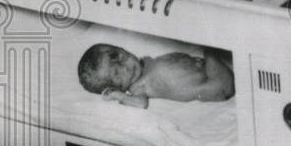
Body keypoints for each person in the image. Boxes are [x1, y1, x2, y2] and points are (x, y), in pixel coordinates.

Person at [77, 43, 235, 109]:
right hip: (215, 86)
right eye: (117, 74)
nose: (125, 66)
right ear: (113, 87)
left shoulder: (145, 64)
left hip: (209, 69)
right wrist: (117, 96)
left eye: (118, 55)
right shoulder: (137, 87)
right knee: (211, 50)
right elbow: (140, 104)